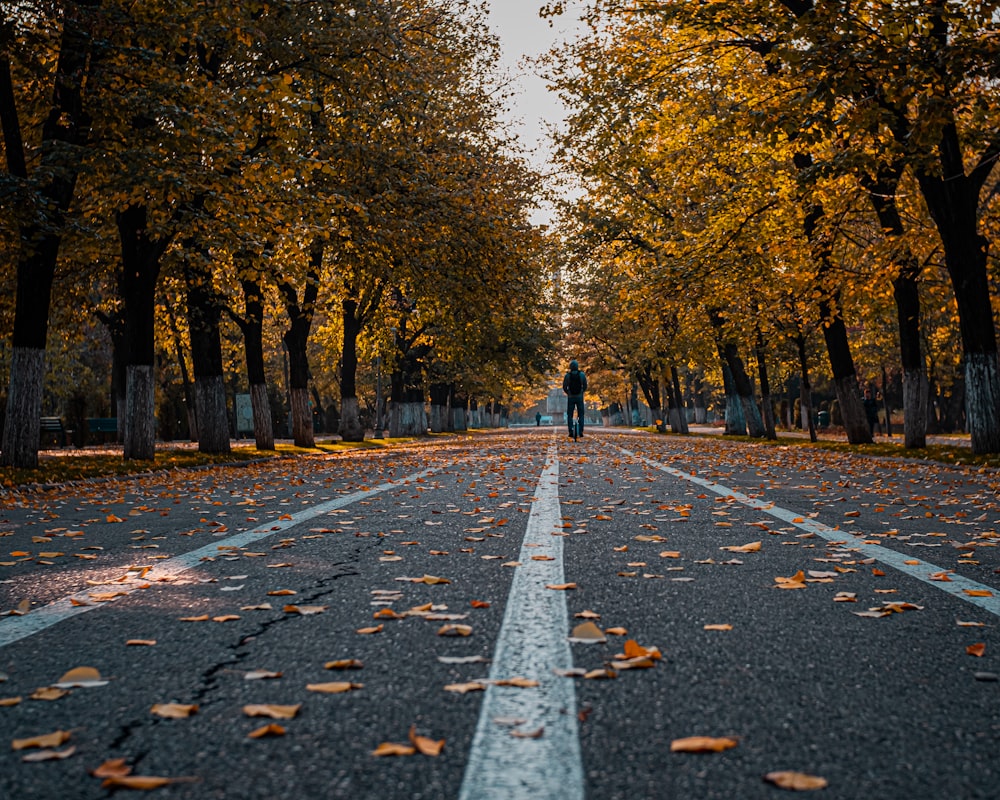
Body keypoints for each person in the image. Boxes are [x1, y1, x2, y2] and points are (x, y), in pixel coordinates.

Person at [562, 359, 588, 437]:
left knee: (569, 415)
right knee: (581, 414)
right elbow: (585, 386)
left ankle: (570, 431)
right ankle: (580, 431)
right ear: (577, 366)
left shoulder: (567, 376)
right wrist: (581, 392)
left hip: (571, 398)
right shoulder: (582, 375)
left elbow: (564, 387)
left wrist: (568, 393)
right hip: (579, 397)